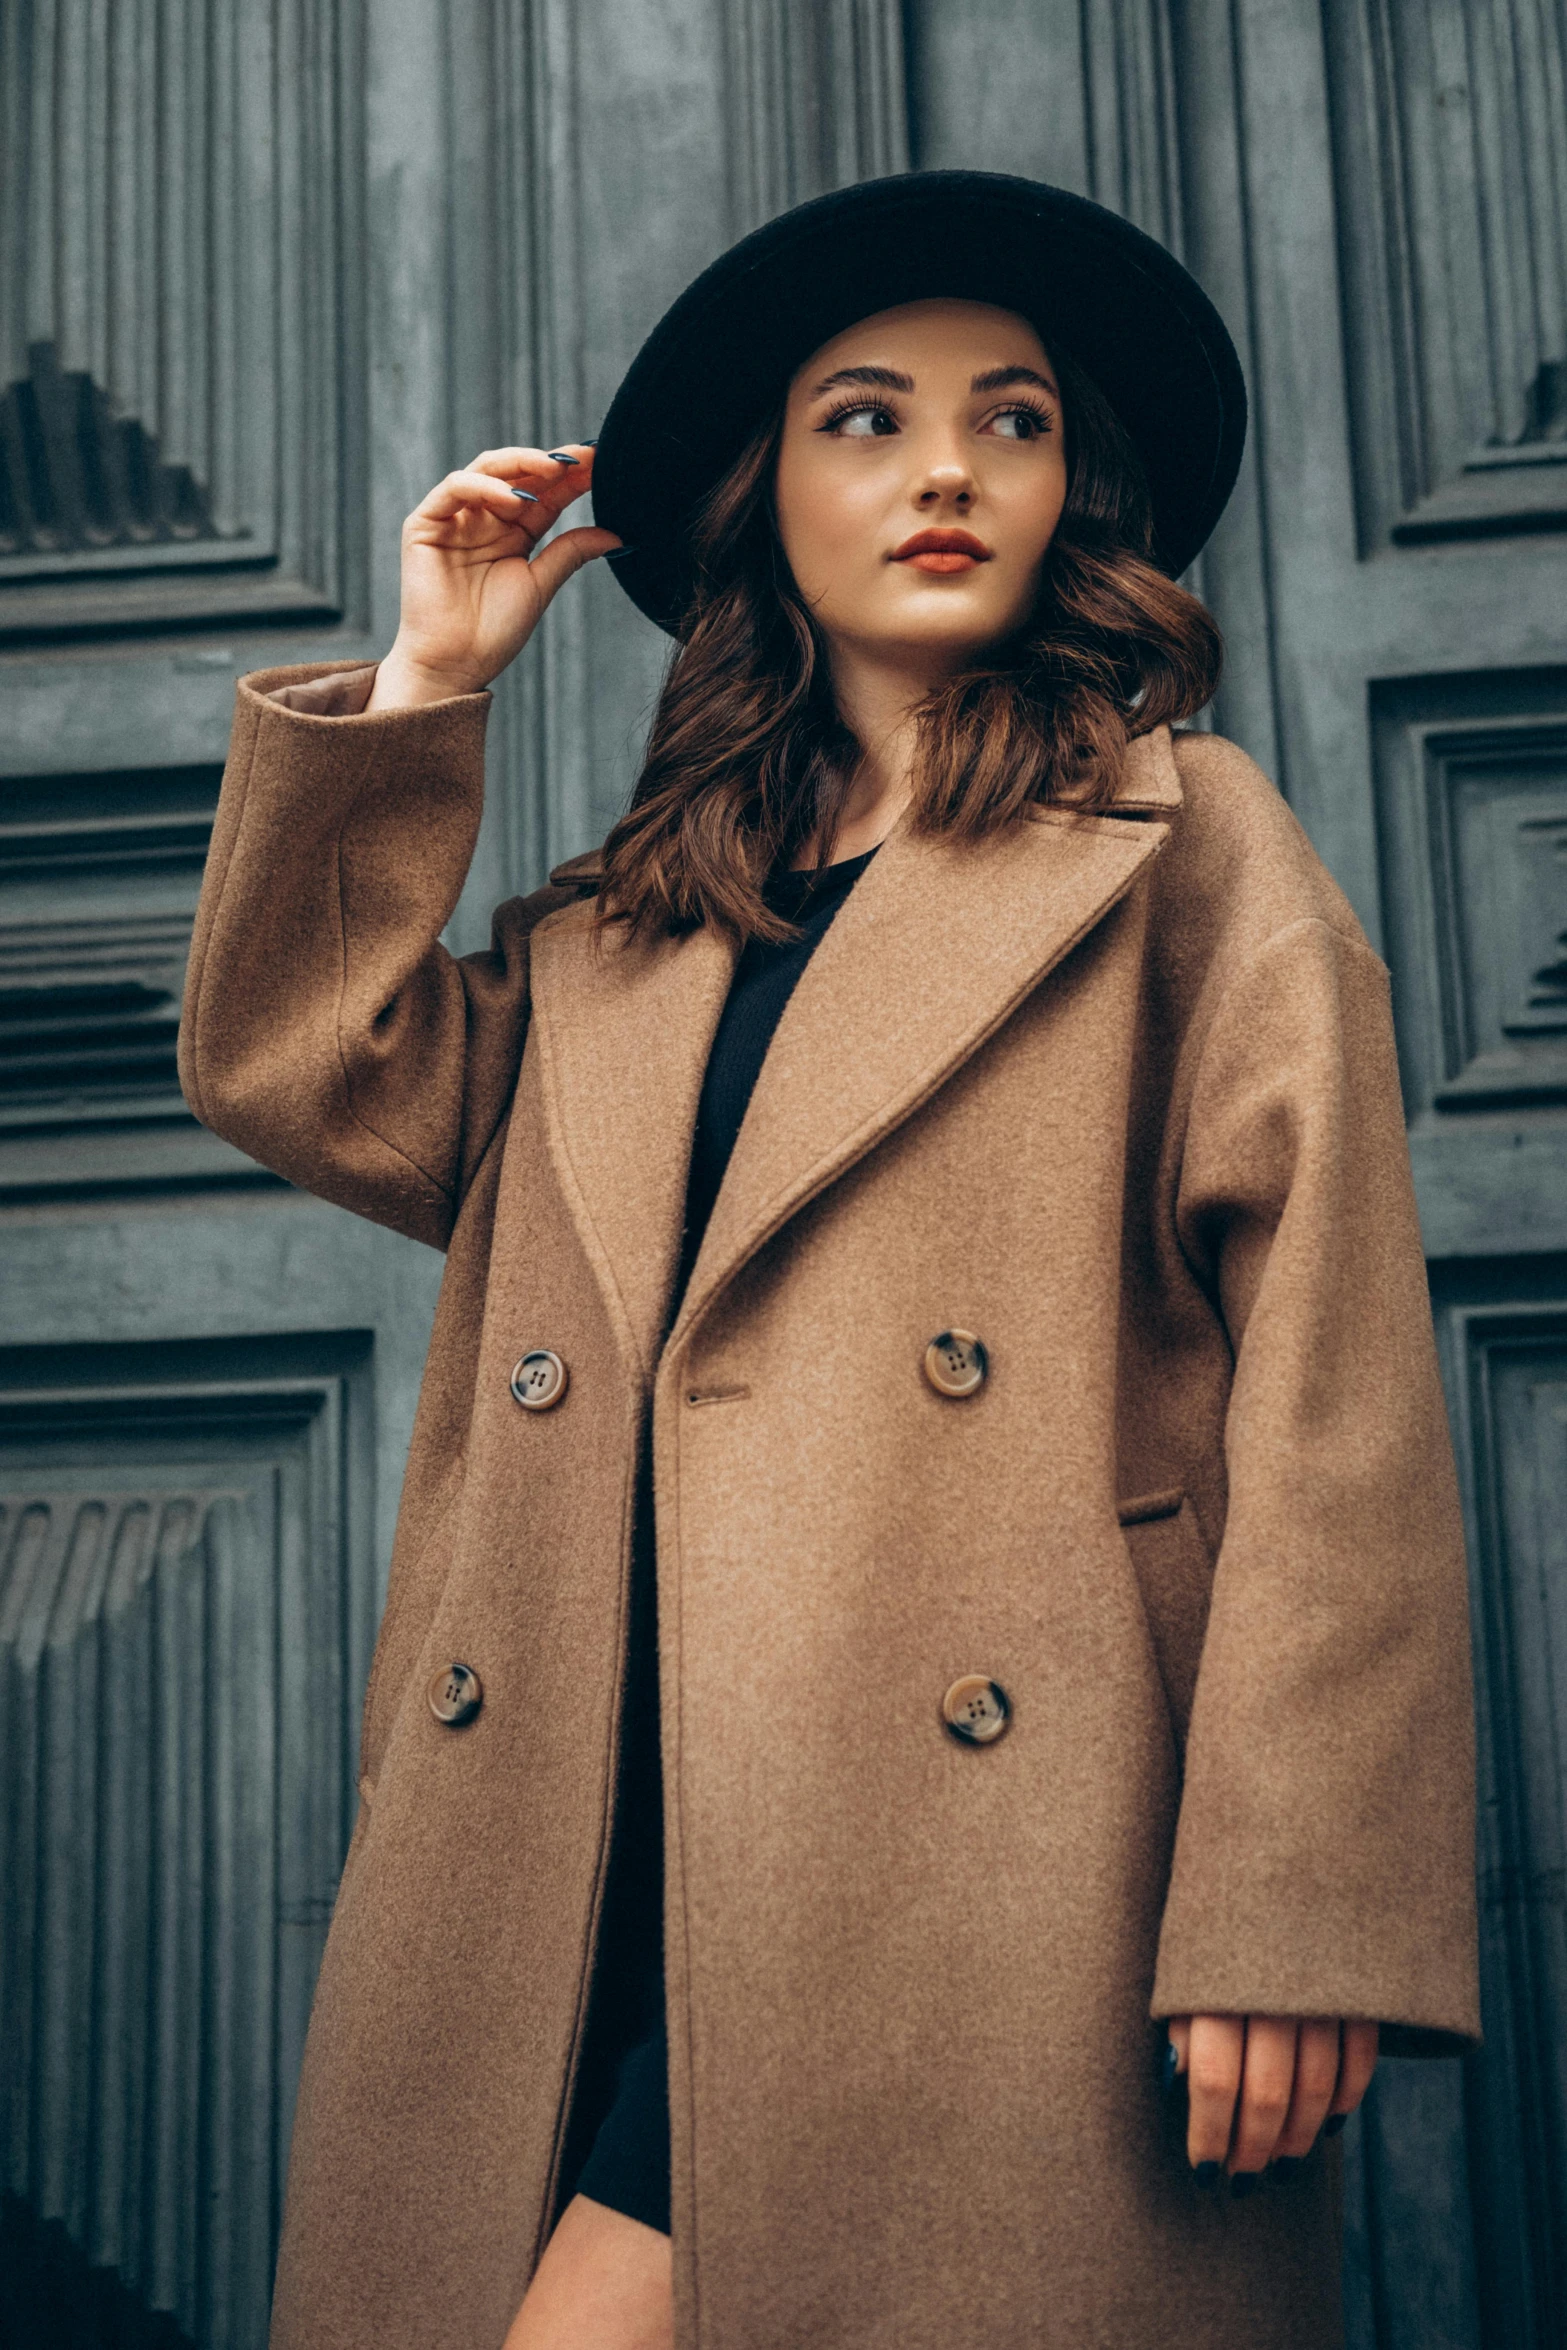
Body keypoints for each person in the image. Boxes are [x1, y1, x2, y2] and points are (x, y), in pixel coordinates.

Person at [178, 173, 1480, 2350]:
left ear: (1084, 490)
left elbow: (1332, 1390)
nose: (950, 466)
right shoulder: (628, 927)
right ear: (758, 496)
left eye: (1016, 419)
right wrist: (423, 685)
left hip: (981, 1869)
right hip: (571, 1862)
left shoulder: (1192, 847)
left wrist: (1302, 1903)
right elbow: (306, 1067)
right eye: (865, 418)